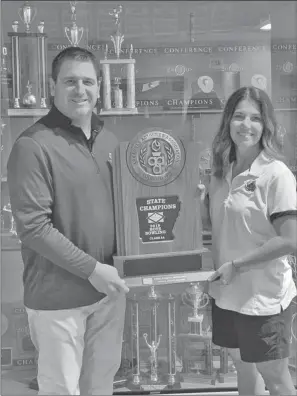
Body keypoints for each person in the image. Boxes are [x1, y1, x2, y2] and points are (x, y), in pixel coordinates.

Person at [7, 46, 129, 396]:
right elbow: (33, 227)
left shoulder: (110, 142)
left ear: (100, 87)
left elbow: (128, 210)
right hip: (57, 300)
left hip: (109, 292)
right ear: (52, 86)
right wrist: (92, 268)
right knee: (61, 390)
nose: (81, 90)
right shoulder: (32, 145)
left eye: (88, 81)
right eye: (70, 81)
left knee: (100, 388)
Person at [198, 86, 297, 395]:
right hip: (227, 295)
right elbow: (214, 228)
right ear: (228, 121)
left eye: (255, 118)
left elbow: (290, 239)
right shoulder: (220, 172)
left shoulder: (275, 174)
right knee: (243, 369)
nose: (246, 125)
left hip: (263, 299)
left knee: (276, 379)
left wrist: (236, 265)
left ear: (265, 125)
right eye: (239, 116)